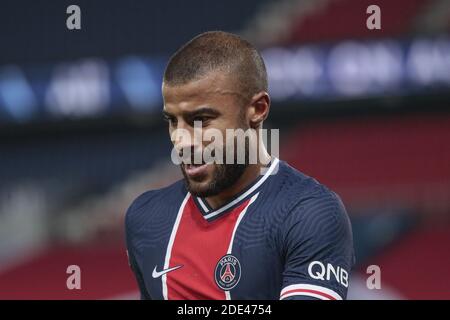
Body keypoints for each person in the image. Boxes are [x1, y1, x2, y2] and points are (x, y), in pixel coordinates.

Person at [125, 31, 355, 300]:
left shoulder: (309, 213)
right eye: (172, 121)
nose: (181, 140)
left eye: (201, 119)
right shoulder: (146, 218)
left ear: (257, 109)